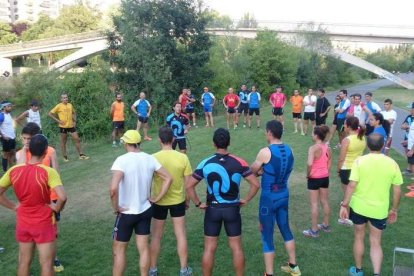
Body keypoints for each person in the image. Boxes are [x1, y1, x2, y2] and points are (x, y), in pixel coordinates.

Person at [186, 128, 260, 276]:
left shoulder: (205, 163)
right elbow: (256, 184)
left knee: (209, 248)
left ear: (214, 143)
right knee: (236, 248)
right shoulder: (240, 162)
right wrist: (245, 199)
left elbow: (189, 185)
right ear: (229, 142)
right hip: (232, 210)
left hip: (212, 210)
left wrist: (198, 203)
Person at [0, 134, 67, 276]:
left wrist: (13, 206)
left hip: (23, 221)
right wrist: (56, 208)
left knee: (24, 261)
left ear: (29, 150)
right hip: (43, 221)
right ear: (45, 151)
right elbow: (62, 197)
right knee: (47, 264)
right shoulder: (48, 172)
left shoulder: (14, 170)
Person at [110, 130, 172, 276]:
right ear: (139, 143)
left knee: (118, 251)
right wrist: (156, 198)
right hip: (145, 210)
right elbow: (168, 178)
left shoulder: (121, 160)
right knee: (143, 248)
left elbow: (113, 188)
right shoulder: (149, 159)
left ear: (126, 143)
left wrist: (116, 207)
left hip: (126, 213)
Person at [339, 133, 402, 276]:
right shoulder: (392, 163)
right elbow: (397, 191)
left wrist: (344, 204)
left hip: (359, 207)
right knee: (376, 242)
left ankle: (358, 270)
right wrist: (394, 209)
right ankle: (377, 273)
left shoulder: (359, 161)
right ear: (383, 145)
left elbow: (351, 185)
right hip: (379, 210)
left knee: (359, 236)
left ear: (368, 145)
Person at [250, 120, 301, 276]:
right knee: (285, 228)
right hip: (283, 195)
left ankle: (269, 273)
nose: (266, 134)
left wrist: (261, 172)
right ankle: (294, 267)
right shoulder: (290, 149)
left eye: (266, 132)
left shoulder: (265, 151)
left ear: (270, 133)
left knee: (267, 234)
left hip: (268, 198)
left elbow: (251, 171)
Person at [15, 122, 64, 272]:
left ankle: (53, 258)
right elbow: (21, 173)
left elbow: (56, 172)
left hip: (50, 196)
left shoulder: (49, 151)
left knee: (52, 230)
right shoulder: (21, 154)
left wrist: (52, 195)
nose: (26, 142)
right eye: (24, 139)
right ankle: (32, 257)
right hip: (31, 199)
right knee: (30, 229)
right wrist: (23, 152)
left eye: (29, 139)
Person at [149, 127, 193, 276]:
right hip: (178, 201)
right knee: (180, 234)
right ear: (173, 139)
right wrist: (187, 200)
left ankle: (153, 269)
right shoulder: (183, 157)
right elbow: (188, 184)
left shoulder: (152, 158)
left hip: (158, 201)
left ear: (159, 140)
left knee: (156, 236)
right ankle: (183, 269)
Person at [303, 125, 331, 238]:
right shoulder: (327, 147)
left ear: (316, 135)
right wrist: (325, 172)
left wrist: (308, 174)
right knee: (324, 201)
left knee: (314, 204)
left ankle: (314, 230)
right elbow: (329, 162)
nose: (311, 135)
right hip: (325, 177)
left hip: (314, 178)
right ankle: (326, 225)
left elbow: (309, 164)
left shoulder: (313, 148)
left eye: (312, 133)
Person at [48, 93, 89, 161]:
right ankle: (65, 157)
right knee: (64, 141)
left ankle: (81, 155)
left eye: (66, 97)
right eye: (64, 98)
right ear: (61, 99)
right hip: (63, 127)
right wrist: (58, 121)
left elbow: (74, 113)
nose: (66, 99)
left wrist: (74, 121)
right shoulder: (58, 106)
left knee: (77, 139)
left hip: (71, 126)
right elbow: (50, 114)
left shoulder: (70, 105)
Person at [337, 117, 366, 212]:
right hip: (359, 169)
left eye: (345, 124)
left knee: (347, 194)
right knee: (355, 192)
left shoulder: (346, 140)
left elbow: (341, 159)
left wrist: (338, 170)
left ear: (348, 127)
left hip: (347, 169)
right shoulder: (362, 137)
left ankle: (347, 215)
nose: (344, 126)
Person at [0, 101, 16, 172]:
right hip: (6, 138)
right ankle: (5, 171)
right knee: (5, 154)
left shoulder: (9, 114)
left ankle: (12, 168)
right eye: (9, 106)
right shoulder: (1, 116)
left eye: (11, 106)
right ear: (4, 107)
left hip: (12, 137)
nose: (10, 107)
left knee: (12, 152)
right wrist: (3, 136)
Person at [401, 102, 414, 175]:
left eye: (411, 108)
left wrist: (412, 150)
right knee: (410, 157)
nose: (410, 110)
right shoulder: (409, 117)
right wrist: (407, 141)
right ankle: (409, 170)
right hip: (409, 141)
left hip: (412, 144)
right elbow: (402, 126)